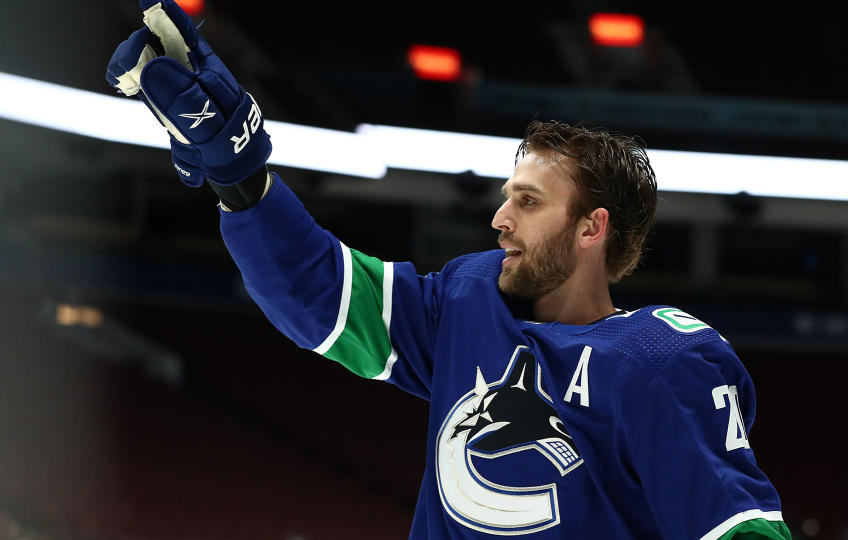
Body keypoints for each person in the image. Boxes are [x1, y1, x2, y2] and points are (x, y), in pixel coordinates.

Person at [107, 2, 792, 538]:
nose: (500, 219)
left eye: (528, 202)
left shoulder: (657, 359)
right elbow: (318, 294)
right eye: (505, 199)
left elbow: (739, 530)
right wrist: (241, 180)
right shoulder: (467, 303)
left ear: (592, 228)